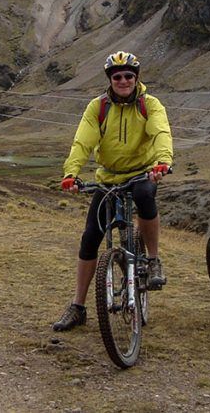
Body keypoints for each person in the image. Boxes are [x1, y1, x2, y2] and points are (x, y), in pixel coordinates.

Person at [52, 51, 173, 332]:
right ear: (110, 79)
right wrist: (71, 172)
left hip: (141, 173)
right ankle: (78, 306)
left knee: (145, 196)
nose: (123, 81)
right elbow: (83, 141)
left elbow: (160, 133)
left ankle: (153, 259)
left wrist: (163, 162)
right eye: (117, 76)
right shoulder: (98, 107)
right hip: (107, 178)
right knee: (90, 239)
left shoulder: (149, 104)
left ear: (136, 78)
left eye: (128, 76)